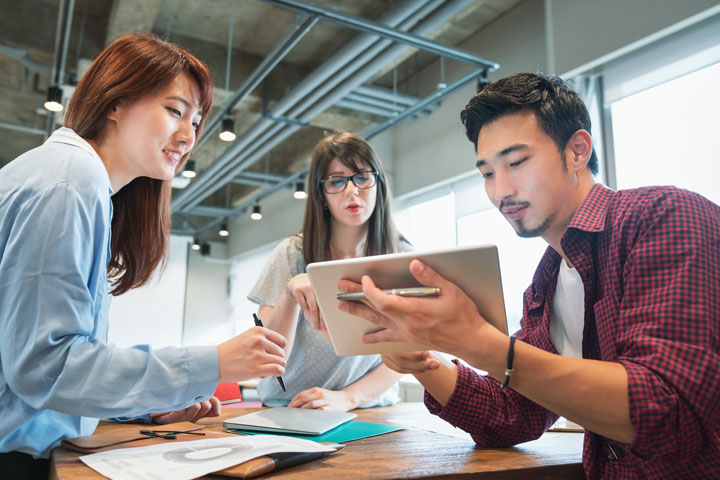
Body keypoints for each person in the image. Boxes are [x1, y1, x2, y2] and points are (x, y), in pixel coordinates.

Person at [338, 73, 720, 478]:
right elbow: (514, 414)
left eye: (516, 162)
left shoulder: (665, 217)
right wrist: (425, 361)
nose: (500, 190)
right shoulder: (547, 278)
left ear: (576, 151)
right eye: (487, 173)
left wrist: (479, 342)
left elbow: (669, 411)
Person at [0, 34, 286, 478]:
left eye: (196, 121)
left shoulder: (77, 179)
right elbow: (44, 367)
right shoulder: (71, 178)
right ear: (115, 102)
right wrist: (214, 362)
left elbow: (41, 372)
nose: (188, 136)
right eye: (175, 111)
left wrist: (145, 405)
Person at [248, 131, 406, 411]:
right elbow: (266, 359)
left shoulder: (402, 256)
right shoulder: (292, 253)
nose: (351, 191)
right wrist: (290, 293)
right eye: (336, 181)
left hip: (370, 410)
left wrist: (347, 398)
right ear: (321, 194)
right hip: (291, 409)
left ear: (378, 183)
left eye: (362, 177)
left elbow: (408, 353)